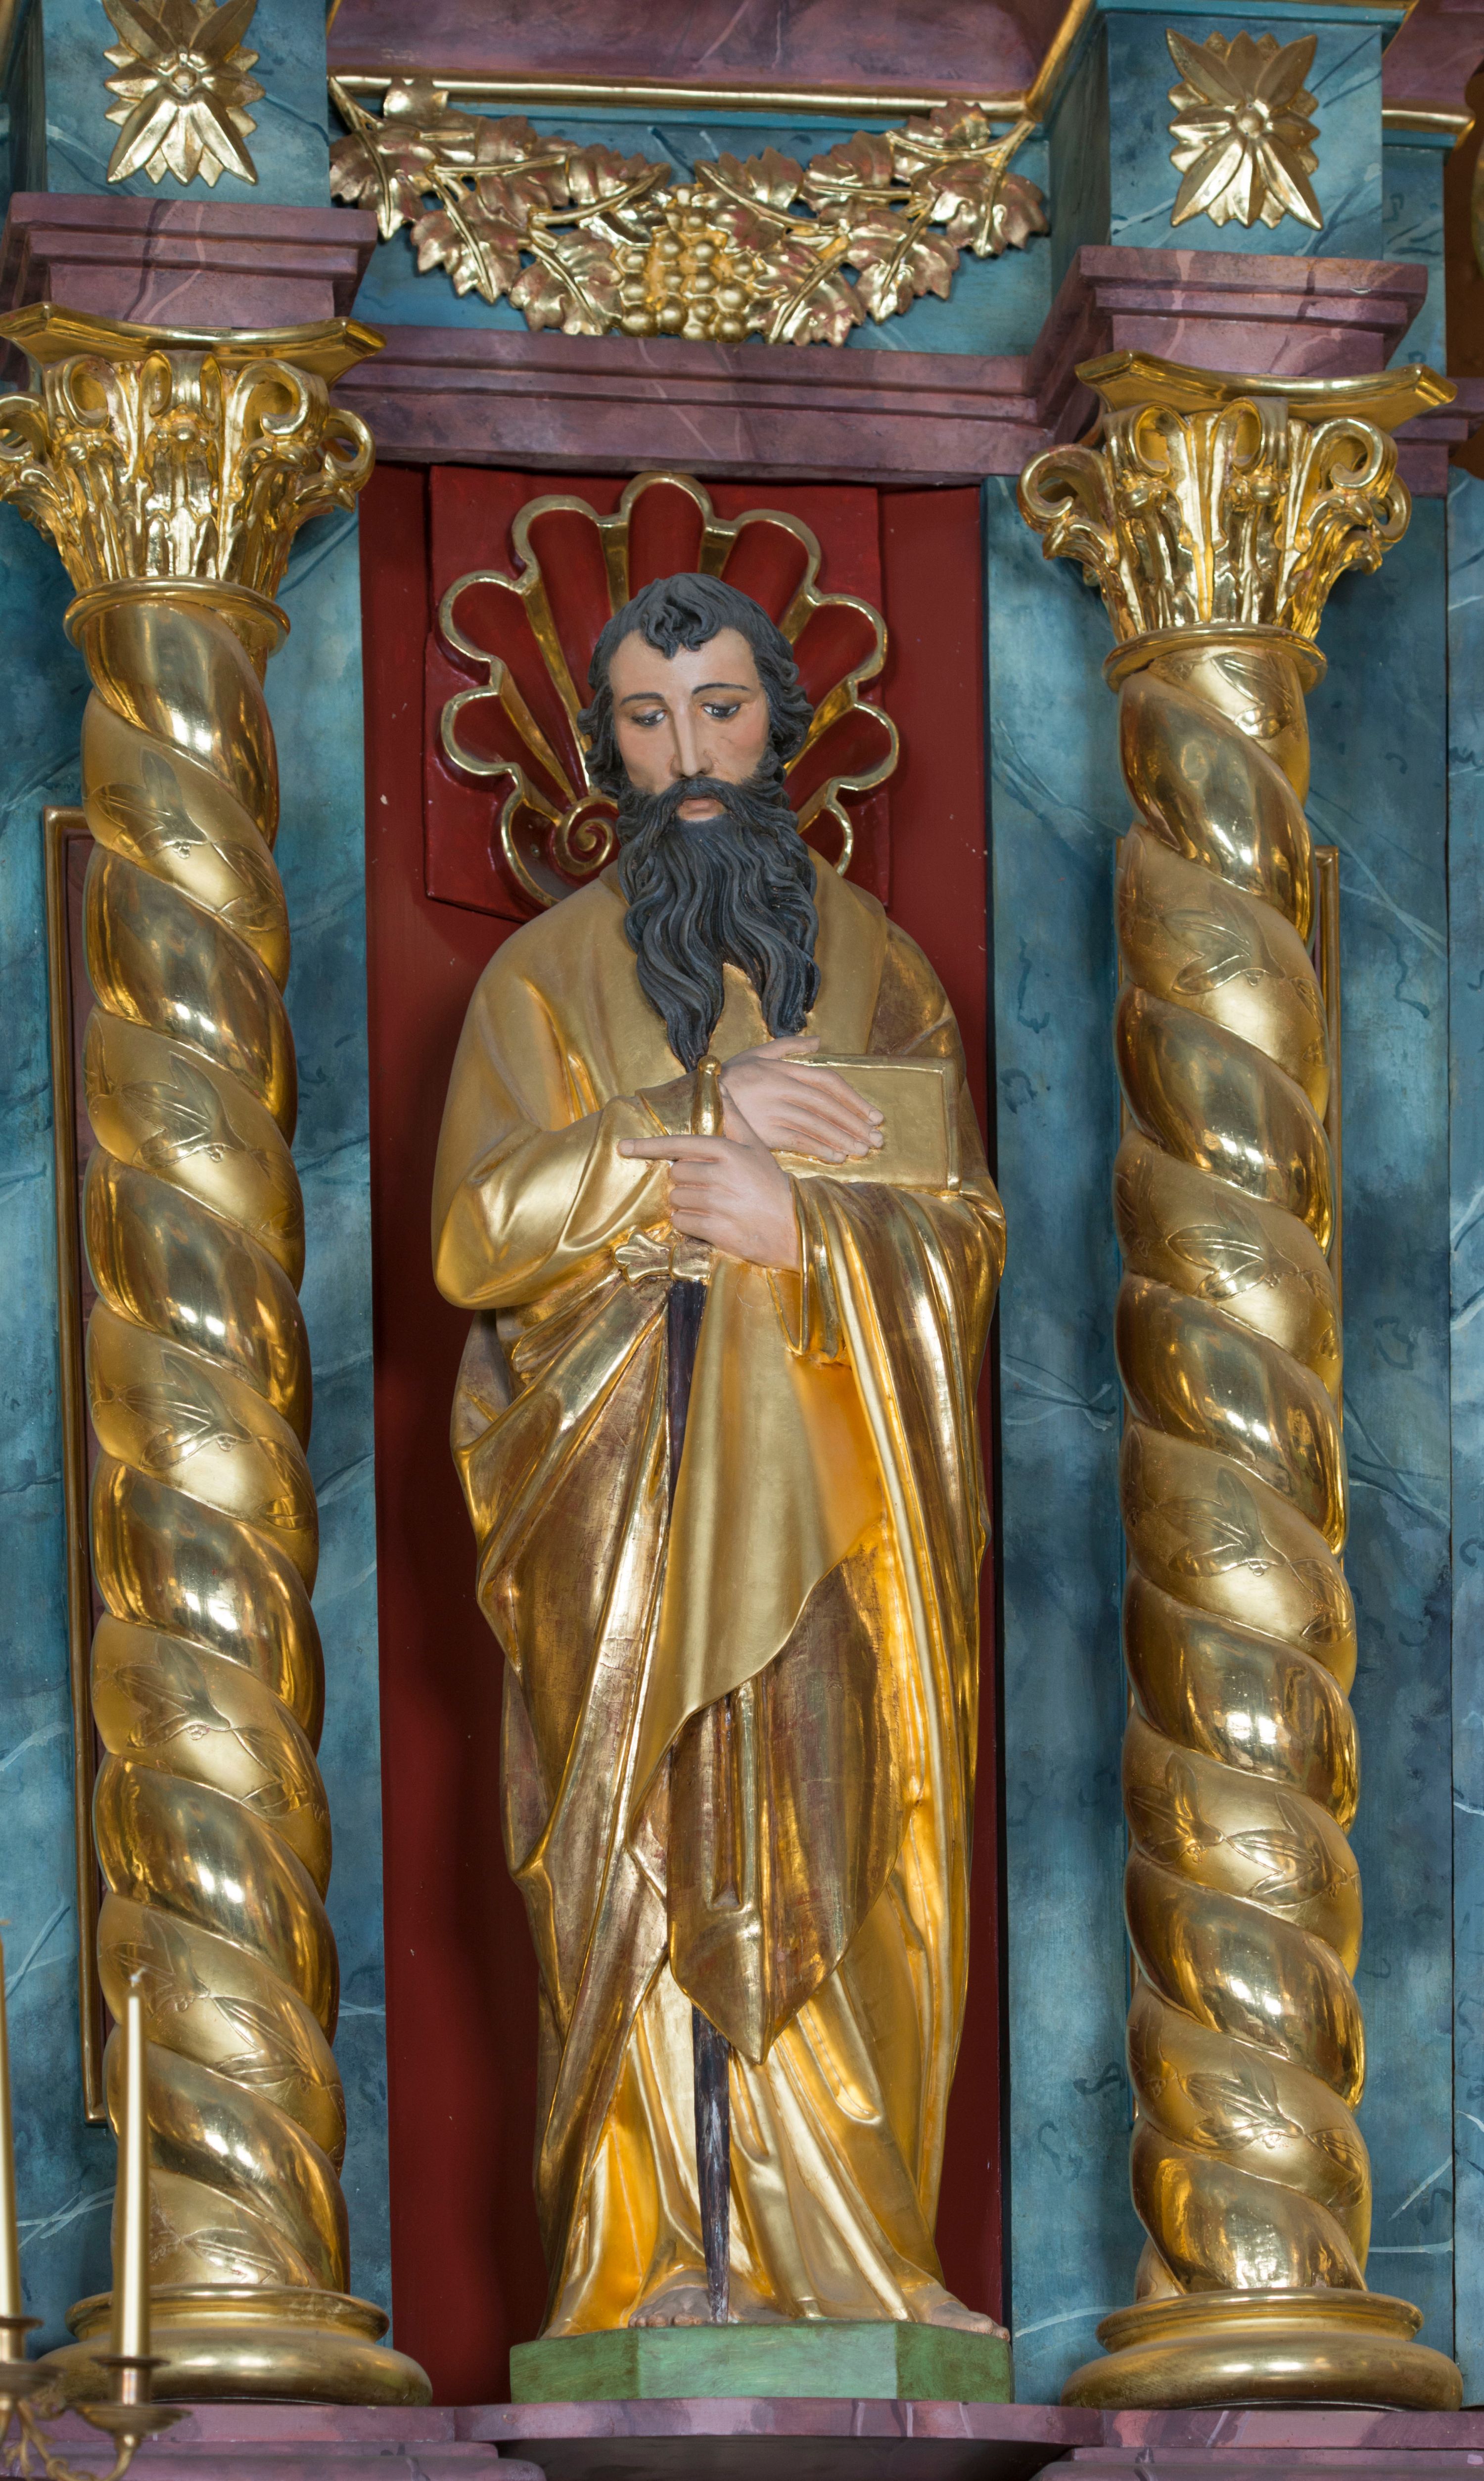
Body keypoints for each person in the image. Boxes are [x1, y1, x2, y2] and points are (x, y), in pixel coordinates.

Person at [433, 572, 1006, 2333]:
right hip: (616, 1508)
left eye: (722, 711)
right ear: (604, 746)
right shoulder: (539, 979)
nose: (688, 755)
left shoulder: (885, 974)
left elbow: (964, 1234)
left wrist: (798, 1231)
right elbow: (475, 1238)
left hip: (828, 1499)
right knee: (635, 1853)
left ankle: (849, 2258)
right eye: (647, 718)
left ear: (784, 729)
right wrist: (698, 1119)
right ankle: (654, 2255)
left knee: (836, 1830)